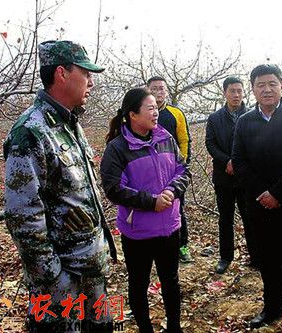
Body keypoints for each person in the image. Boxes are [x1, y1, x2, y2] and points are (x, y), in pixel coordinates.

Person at [3, 40, 116, 332]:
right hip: (60, 285)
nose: (91, 82)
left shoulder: (70, 124)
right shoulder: (30, 131)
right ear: (62, 74)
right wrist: (54, 280)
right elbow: (23, 219)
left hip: (91, 275)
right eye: (86, 73)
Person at [100, 88, 190, 333]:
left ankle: (174, 327)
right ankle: (145, 328)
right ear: (132, 115)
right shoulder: (117, 149)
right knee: (139, 283)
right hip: (138, 231)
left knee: (171, 280)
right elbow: (113, 189)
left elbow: (183, 170)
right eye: (150, 108)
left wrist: (172, 191)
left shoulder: (166, 138)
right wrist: (151, 202)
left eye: (156, 108)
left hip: (170, 226)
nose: (156, 113)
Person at [232, 64, 282, 333]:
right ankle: (272, 308)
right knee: (268, 262)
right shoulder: (244, 122)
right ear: (252, 89)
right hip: (258, 206)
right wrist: (262, 194)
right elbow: (240, 162)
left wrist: (277, 193)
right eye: (260, 85)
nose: (266, 89)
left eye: (272, 84)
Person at [205, 76, 260, 274]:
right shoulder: (215, 118)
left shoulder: (253, 115)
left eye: (239, 91)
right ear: (225, 93)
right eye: (232, 91)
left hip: (247, 177)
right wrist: (226, 161)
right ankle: (225, 257)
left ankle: (256, 257)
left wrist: (238, 164)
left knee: (250, 217)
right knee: (225, 218)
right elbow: (210, 143)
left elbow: (256, 144)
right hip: (223, 176)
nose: (236, 95)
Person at [147, 76, 192, 263]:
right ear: (148, 90)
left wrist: (180, 165)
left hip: (173, 172)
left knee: (178, 208)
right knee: (150, 206)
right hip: (148, 173)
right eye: (154, 88)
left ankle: (182, 246)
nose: (159, 92)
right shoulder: (141, 112)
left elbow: (184, 140)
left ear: (167, 90)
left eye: (162, 88)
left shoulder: (175, 113)